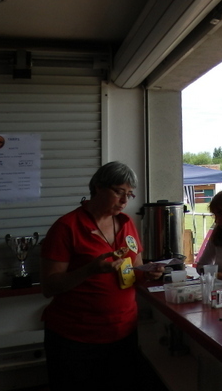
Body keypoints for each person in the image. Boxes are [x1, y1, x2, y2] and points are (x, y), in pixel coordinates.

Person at [40, 161, 165, 390]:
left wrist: (149, 273)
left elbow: (135, 271)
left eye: (129, 194)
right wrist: (89, 270)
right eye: (119, 192)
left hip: (123, 332)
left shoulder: (126, 223)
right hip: (75, 339)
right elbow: (49, 286)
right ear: (98, 187)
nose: (125, 200)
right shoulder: (67, 227)